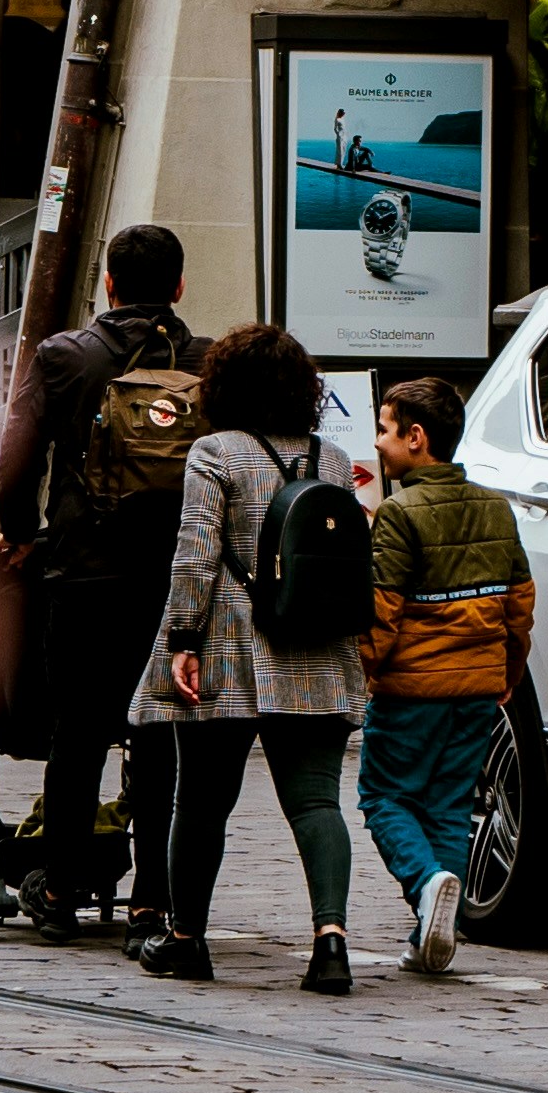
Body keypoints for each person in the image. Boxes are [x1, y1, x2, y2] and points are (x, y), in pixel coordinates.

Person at [0, 228, 204, 941]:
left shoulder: (65, 357)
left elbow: (18, 459)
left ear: (109, 284)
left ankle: (61, 889)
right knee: (160, 738)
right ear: (179, 286)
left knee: (77, 733)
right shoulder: (207, 364)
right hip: (175, 577)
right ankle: (151, 901)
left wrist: (20, 531)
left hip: (83, 571)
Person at [137, 325, 365, 991]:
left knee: (201, 801)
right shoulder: (331, 459)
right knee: (318, 801)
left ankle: (186, 939)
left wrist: (183, 641)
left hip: (230, 646)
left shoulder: (215, 453)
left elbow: (195, 555)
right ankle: (330, 943)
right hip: (315, 646)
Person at [354, 372, 532, 976]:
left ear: (416, 437)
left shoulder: (399, 513)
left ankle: (427, 884)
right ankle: (434, 937)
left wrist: (365, 672)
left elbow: (381, 612)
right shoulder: (495, 508)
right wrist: (507, 671)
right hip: (479, 688)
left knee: (384, 796)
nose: (377, 443)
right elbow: (520, 602)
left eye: (384, 430)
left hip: (413, 689)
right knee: (451, 807)